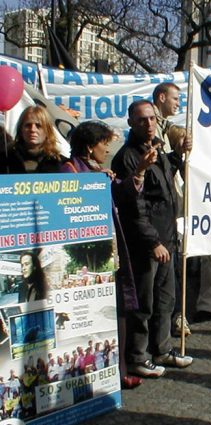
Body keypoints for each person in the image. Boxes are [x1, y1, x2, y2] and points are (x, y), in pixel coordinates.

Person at [112, 99, 193, 378]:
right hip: (147, 245)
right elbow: (134, 207)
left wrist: (181, 154)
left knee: (165, 300)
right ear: (131, 124)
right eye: (141, 120)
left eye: (151, 119)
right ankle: (136, 356)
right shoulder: (127, 157)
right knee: (143, 304)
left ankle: (161, 349)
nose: (148, 125)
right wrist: (152, 242)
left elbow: (169, 178)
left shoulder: (157, 150)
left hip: (167, 239)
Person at [60, 120, 143, 390]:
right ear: (88, 146)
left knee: (116, 313)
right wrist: (92, 183)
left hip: (111, 255)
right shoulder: (70, 170)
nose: (107, 150)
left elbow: (123, 191)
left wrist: (139, 171)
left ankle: (116, 374)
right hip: (87, 258)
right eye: (103, 144)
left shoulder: (100, 171)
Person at [153, 84, 192, 337]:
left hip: (170, 210)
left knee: (173, 270)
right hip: (159, 215)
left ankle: (174, 317)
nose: (178, 104)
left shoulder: (166, 127)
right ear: (162, 97)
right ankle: (169, 321)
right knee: (166, 273)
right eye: (175, 99)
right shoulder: (153, 129)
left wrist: (182, 138)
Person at [0, 105, 63, 174]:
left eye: (38, 126)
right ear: (21, 130)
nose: (32, 130)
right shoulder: (5, 159)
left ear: (48, 130)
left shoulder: (60, 163)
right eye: (28, 125)